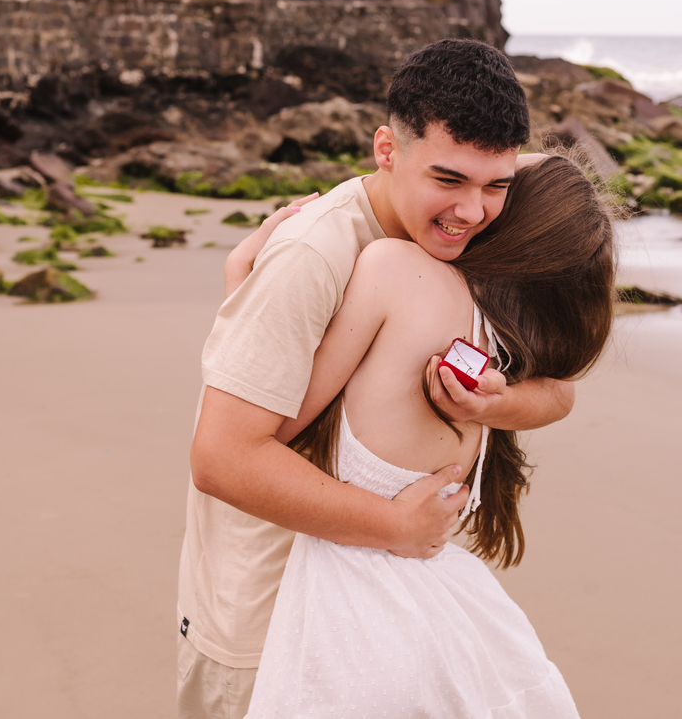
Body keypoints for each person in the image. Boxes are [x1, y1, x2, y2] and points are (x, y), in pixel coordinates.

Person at [178, 39, 576, 719]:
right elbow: (221, 458)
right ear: (387, 151)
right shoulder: (315, 254)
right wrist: (393, 526)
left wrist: (498, 400)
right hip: (267, 622)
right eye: (448, 180)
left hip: (390, 620)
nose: (473, 210)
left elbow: (560, 388)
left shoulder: (473, 235)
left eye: (496, 185)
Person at [243, 155, 616, 716]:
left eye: (499, 186)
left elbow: (279, 425)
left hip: (355, 609)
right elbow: (561, 393)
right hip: (443, 603)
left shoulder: (394, 270)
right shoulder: (501, 355)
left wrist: (243, 280)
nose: (474, 202)